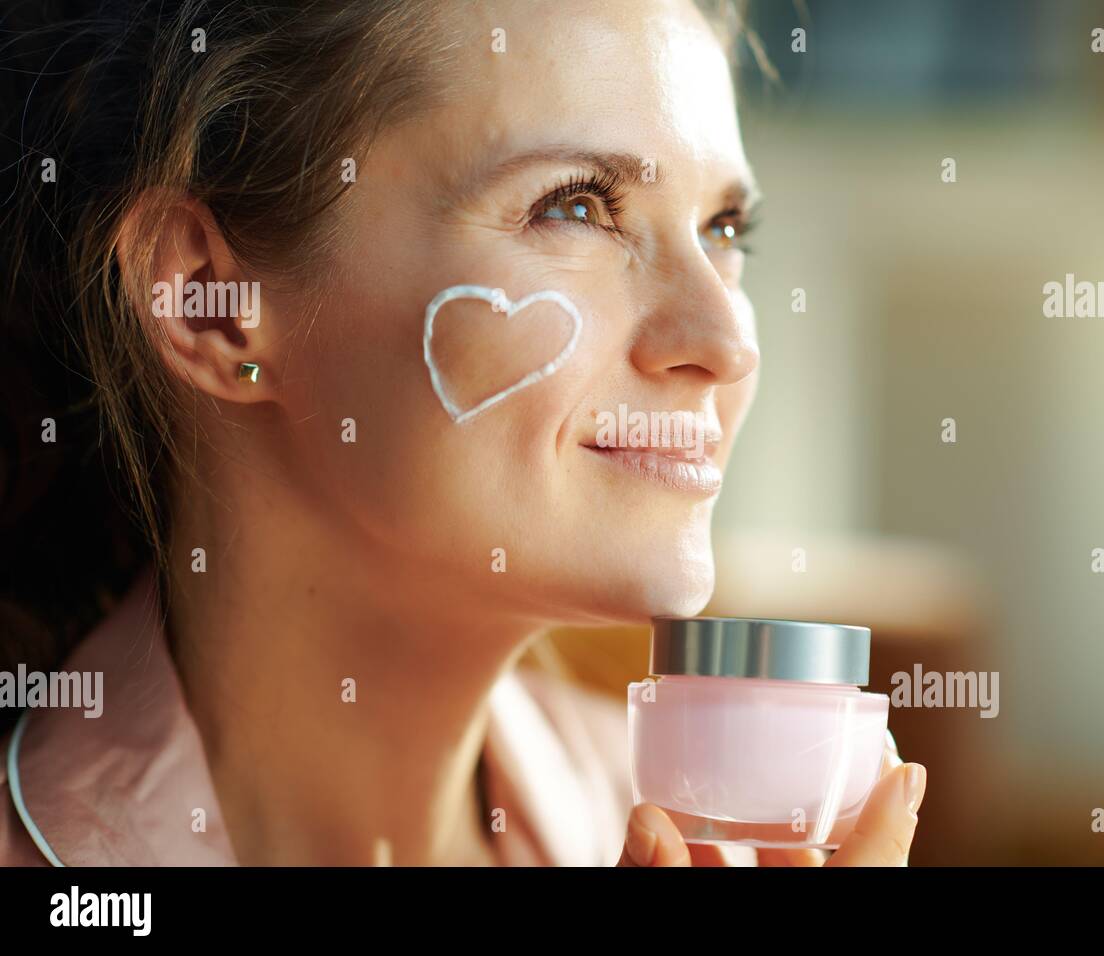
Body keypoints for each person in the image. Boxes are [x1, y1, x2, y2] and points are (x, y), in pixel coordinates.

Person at [0, 0, 925, 867]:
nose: (725, 342)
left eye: (725, 229)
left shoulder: (701, 830)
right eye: (575, 207)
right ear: (209, 301)